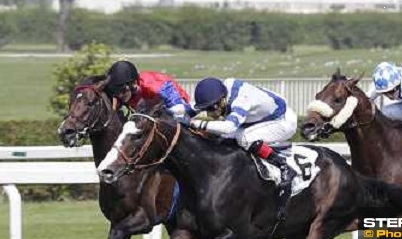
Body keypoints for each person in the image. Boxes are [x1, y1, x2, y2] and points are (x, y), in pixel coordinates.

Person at [190, 77, 298, 220]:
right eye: (206, 109)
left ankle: (283, 166)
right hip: (262, 118)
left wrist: (198, 124)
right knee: (225, 137)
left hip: (283, 122)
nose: (210, 113)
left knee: (244, 138)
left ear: (223, 100)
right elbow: (190, 109)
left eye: (211, 108)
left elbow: (229, 127)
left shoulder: (240, 99)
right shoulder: (221, 93)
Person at [105, 59, 193, 119]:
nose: (120, 95)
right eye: (116, 91)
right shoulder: (121, 93)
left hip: (177, 105)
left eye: (122, 91)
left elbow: (179, 110)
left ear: (134, 84)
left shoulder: (155, 87)